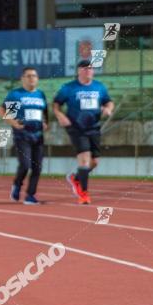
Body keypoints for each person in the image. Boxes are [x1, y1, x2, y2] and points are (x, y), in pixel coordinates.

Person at [53, 59, 114, 204]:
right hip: (76, 127)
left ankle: (76, 178)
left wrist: (108, 108)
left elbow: (108, 101)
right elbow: (56, 104)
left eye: (90, 68)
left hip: (94, 127)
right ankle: (84, 194)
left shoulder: (99, 87)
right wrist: (60, 115)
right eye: (85, 68)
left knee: (94, 162)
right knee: (85, 159)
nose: (88, 71)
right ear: (79, 71)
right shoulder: (68, 88)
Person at [0, 66, 48, 205]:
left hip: (38, 135)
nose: (32, 78)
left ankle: (30, 196)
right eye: (29, 76)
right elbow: (2, 110)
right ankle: (17, 185)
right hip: (22, 135)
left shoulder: (40, 95)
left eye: (34, 76)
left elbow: (43, 112)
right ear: (22, 79)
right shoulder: (16, 94)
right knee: (25, 165)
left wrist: (44, 122)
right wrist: (14, 123)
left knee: (37, 167)